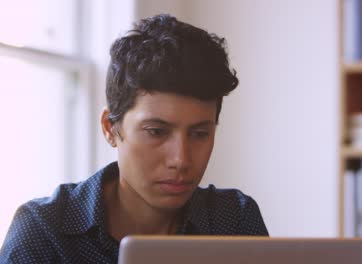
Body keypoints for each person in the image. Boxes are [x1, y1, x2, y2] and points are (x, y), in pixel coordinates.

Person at [0, 14, 268, 263]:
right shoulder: (45, 232)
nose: (181, 159)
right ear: (110, 128)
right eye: (156, 132)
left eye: (200, 134)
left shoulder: (234, 220)